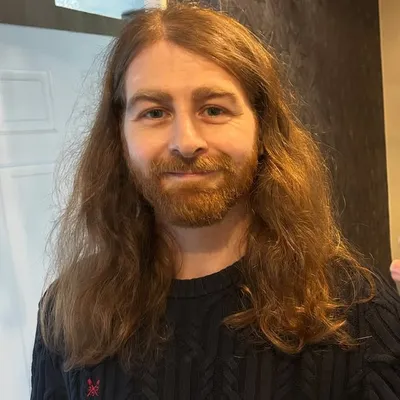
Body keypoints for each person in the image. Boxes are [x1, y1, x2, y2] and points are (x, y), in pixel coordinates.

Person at [31, 4, 400, 400]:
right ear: (119, 137)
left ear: (263, 130)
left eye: (214, 109)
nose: (186, 142)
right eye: (154, 112)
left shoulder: (358, 310)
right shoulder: (68, 314)